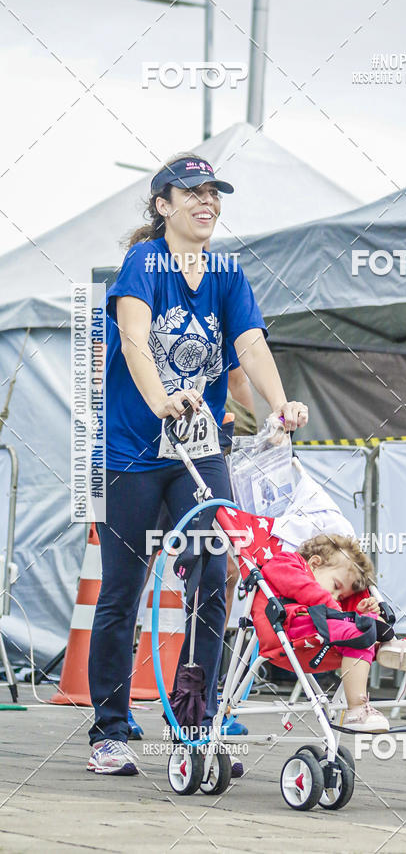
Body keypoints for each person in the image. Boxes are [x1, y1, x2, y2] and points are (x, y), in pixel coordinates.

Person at [87, 153, 308, 775]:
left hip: (200, 451)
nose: (206, 201)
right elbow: (134, 339)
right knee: (122, 591)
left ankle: (194, 724)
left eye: (213, 192)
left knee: (213, 576)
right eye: (191, 192)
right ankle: (109, 729)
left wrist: (280, 401)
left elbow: (249, 344)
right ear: (163, 206)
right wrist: (162, 400)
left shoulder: (227, 273)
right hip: (133, 452)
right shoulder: (143, 264)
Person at [260, 533, 406, 732]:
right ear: (315, 563)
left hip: (320, 633)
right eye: (336, 586)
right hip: (293, 625)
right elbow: (302, 586)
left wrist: (361, 612)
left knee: (363, 627)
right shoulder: (287, 562)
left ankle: (385, 641)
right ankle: (357, 708)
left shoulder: (327, 601)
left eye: (340, 596)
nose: (335, 596)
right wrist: (335, 607)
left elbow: (335, 614)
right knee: (358, 632)